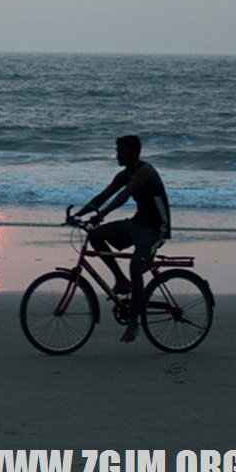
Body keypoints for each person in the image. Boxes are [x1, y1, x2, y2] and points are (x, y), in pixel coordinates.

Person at [75, 135, 171, 343]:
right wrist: (78, 215)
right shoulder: (124, 174)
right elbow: (103, 196)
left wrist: (102, 214)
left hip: (156, 230)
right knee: (96, 235)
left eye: (121, 151)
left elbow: (123, 196)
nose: (117, 155)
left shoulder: (145, 172)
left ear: (133, 153)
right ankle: (120, 280)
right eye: (117, 150)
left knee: (136, 265)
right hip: (137, 224)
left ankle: (134, 322)